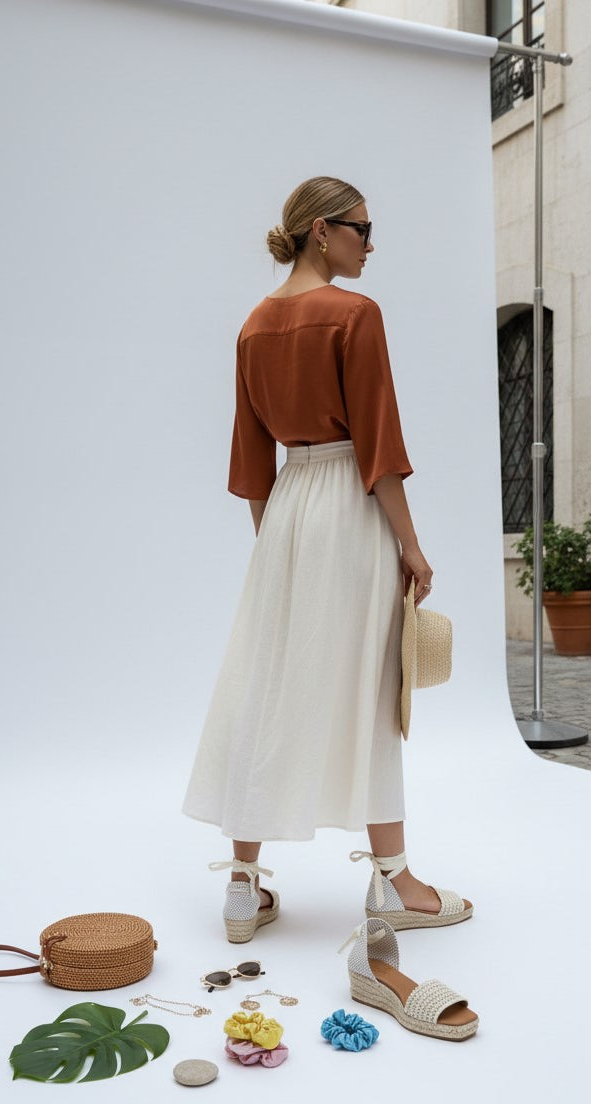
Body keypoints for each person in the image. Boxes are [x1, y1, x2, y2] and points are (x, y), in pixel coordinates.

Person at [182, 176, 471, 942]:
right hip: (348, 505)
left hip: (284, 513)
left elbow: (251, 462)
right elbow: (377, 447)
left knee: (264, 684)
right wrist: (410, 545)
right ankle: (394, 881)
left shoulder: (253, 326)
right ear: (320, 230)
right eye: (361, 229)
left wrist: (276, 548)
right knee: (372, 684)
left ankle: (241, 887)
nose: (370, 244)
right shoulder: (354, 314)